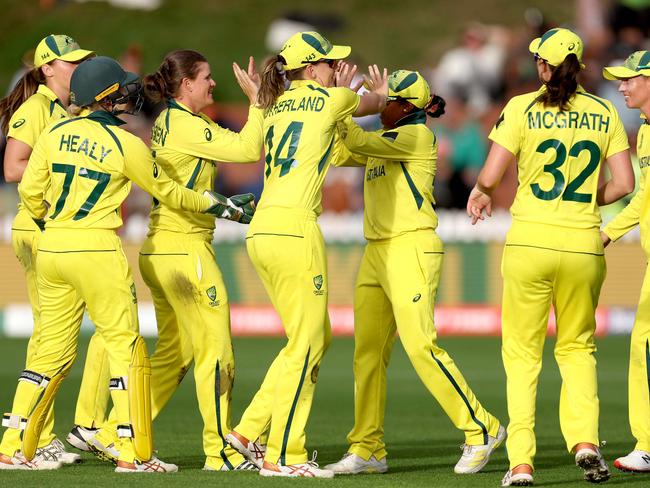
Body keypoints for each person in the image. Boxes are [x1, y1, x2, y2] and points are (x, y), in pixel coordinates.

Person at [0, 55, 249, 472]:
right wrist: (223, 206)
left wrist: (51, 218)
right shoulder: (125, 143)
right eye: (122, 89)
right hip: (97, 249)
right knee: (127, 349)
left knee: (49, 356)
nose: (130, 94)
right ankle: (136, 454)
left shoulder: (55, 131)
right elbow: (171, 193)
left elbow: (30, 191)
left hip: (53, 249)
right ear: (107, 96)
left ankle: (13, 446)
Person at [466, 28, 634, 486]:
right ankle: (584, 442)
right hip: (583, 245)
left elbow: (491, 174)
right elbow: (624, 185)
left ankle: (521, 464)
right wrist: (581, 200)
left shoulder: (521, 107)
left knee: (522, 356)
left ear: (543, 66)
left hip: (530, 245)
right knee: (578, 349)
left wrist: (481, 193)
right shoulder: (604, 112)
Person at [83, 49, 263, 471]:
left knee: (174, 355)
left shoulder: (168, 120)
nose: (213, 83)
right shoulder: (184, 123)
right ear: (186, 85)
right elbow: (248, 148)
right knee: (218, 353)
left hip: (161, 247)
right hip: (185, 251)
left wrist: (220, 203)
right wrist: (256, 102)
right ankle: (219, 451)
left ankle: (115, 433)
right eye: (206, 77)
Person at [323, 70, 505, 476]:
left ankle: (482, 428)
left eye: (385, 99)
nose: (378, 105)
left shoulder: (416, 136)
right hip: (377, 250)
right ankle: (368, 447)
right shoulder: (386, 139)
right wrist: (345, 104)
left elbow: (352, 138)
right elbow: (338, 152)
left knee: (421, 345)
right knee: (367, 354)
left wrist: (343, 97)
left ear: (405, 107)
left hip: (411, 246)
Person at [224, 31, 388, 478]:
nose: (338, 67)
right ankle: (285, 455)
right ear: (312, 68)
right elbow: (376, 106)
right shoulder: (329, 98)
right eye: (331, 62)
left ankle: (246, 433)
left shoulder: (273, 104)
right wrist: (373, 92)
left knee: (310, 339)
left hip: (261, 230)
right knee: (310, 342)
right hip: (295, 229)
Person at [0, 34, 95, 467]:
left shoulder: (61, 110)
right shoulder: (35, 109)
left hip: (47, 230)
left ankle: (39, 436)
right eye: (69, 62)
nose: (77, 67)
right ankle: (24, 441)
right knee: (50, 343)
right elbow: (12, 166)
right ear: (47, 69)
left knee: (49, 339)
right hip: (37, 229)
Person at [600, 50, 650, 473]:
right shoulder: (646, 134)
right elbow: (643, 199)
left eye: (629, 80)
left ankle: (649, 444)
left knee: (644, 347)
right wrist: (608, 232)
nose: (621, 87)